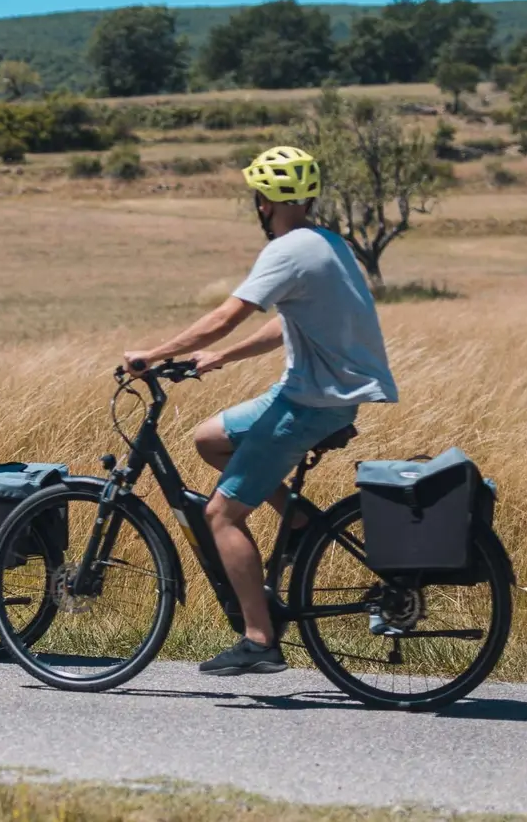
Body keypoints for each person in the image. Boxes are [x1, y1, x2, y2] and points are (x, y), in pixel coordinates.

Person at [122, 146, 397, 675]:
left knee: (222, 515)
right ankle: (295, 520)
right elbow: (287, 324)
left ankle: (259, 637)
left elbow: (227, 315)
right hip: (314, 393)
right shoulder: (326, 243)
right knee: (209, 439)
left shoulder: (287, 250)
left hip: (312, 403)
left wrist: (153, 355)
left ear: (265, 200)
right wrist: (224, 357)